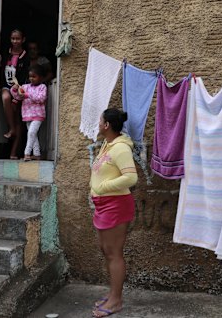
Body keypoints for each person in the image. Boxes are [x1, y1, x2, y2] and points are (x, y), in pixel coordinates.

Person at [89, 108, 138, 318]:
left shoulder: (121, 149)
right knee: (106, 251)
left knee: (114, 253)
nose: (98, 123)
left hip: (116, 205)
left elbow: (131, 178)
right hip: (105, 205)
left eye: (100, 120)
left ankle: (116, 301)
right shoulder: (108, 145)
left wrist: (104, 187)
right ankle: (112, 294)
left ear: (106, 125)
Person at [0, 29, 30, 159]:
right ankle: (11, 129)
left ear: (23, 40)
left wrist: (17, 98)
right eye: (13, 38)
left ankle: (13, 152)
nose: (15, 41)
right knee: (5, 97)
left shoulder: (25, 56)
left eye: (17, 39)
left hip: (19, 90)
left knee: (18, 119)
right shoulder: (6, 53)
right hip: (7, 86)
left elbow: (25, 77)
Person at [10, 64, 48, 161]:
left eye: (34, 76)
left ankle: (26, 153)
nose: (31, 78)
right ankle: (36, 154)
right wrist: (14, 89)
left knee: (31, 133)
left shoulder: (42, 87)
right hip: (27, 115)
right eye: (30, 76)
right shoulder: (25, 87)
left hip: (38, 115)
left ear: (41, 78)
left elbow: (41, 98)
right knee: (33, 135)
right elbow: (18, 97)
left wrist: (27, 95)